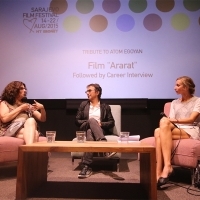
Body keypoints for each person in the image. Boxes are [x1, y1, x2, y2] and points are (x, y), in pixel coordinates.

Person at [155, 76, 200, 187]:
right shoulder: (174, 103)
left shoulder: (197, 101)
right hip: (176, 128)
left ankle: (164, 168)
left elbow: (191, 119)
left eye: (178, 85)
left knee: (158, 131)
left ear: (186, 87)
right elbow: (169, 122)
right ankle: (161, 170)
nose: (175, 87)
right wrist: (170, 121)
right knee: (158, 130)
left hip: (190, 129)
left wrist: (173, 120)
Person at [75, 83, 116, 178]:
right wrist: (90, 121)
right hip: (84, 127)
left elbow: (111, 122)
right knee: (91, 122)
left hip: (99, 130)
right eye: (87, 91)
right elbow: (77, 121)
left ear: (97, 92)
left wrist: (101, 124)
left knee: (90, 132)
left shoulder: (105, 107)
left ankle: (86, 166)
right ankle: (105, 147)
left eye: (89, 91)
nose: (87, 93)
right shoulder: (83, 105)